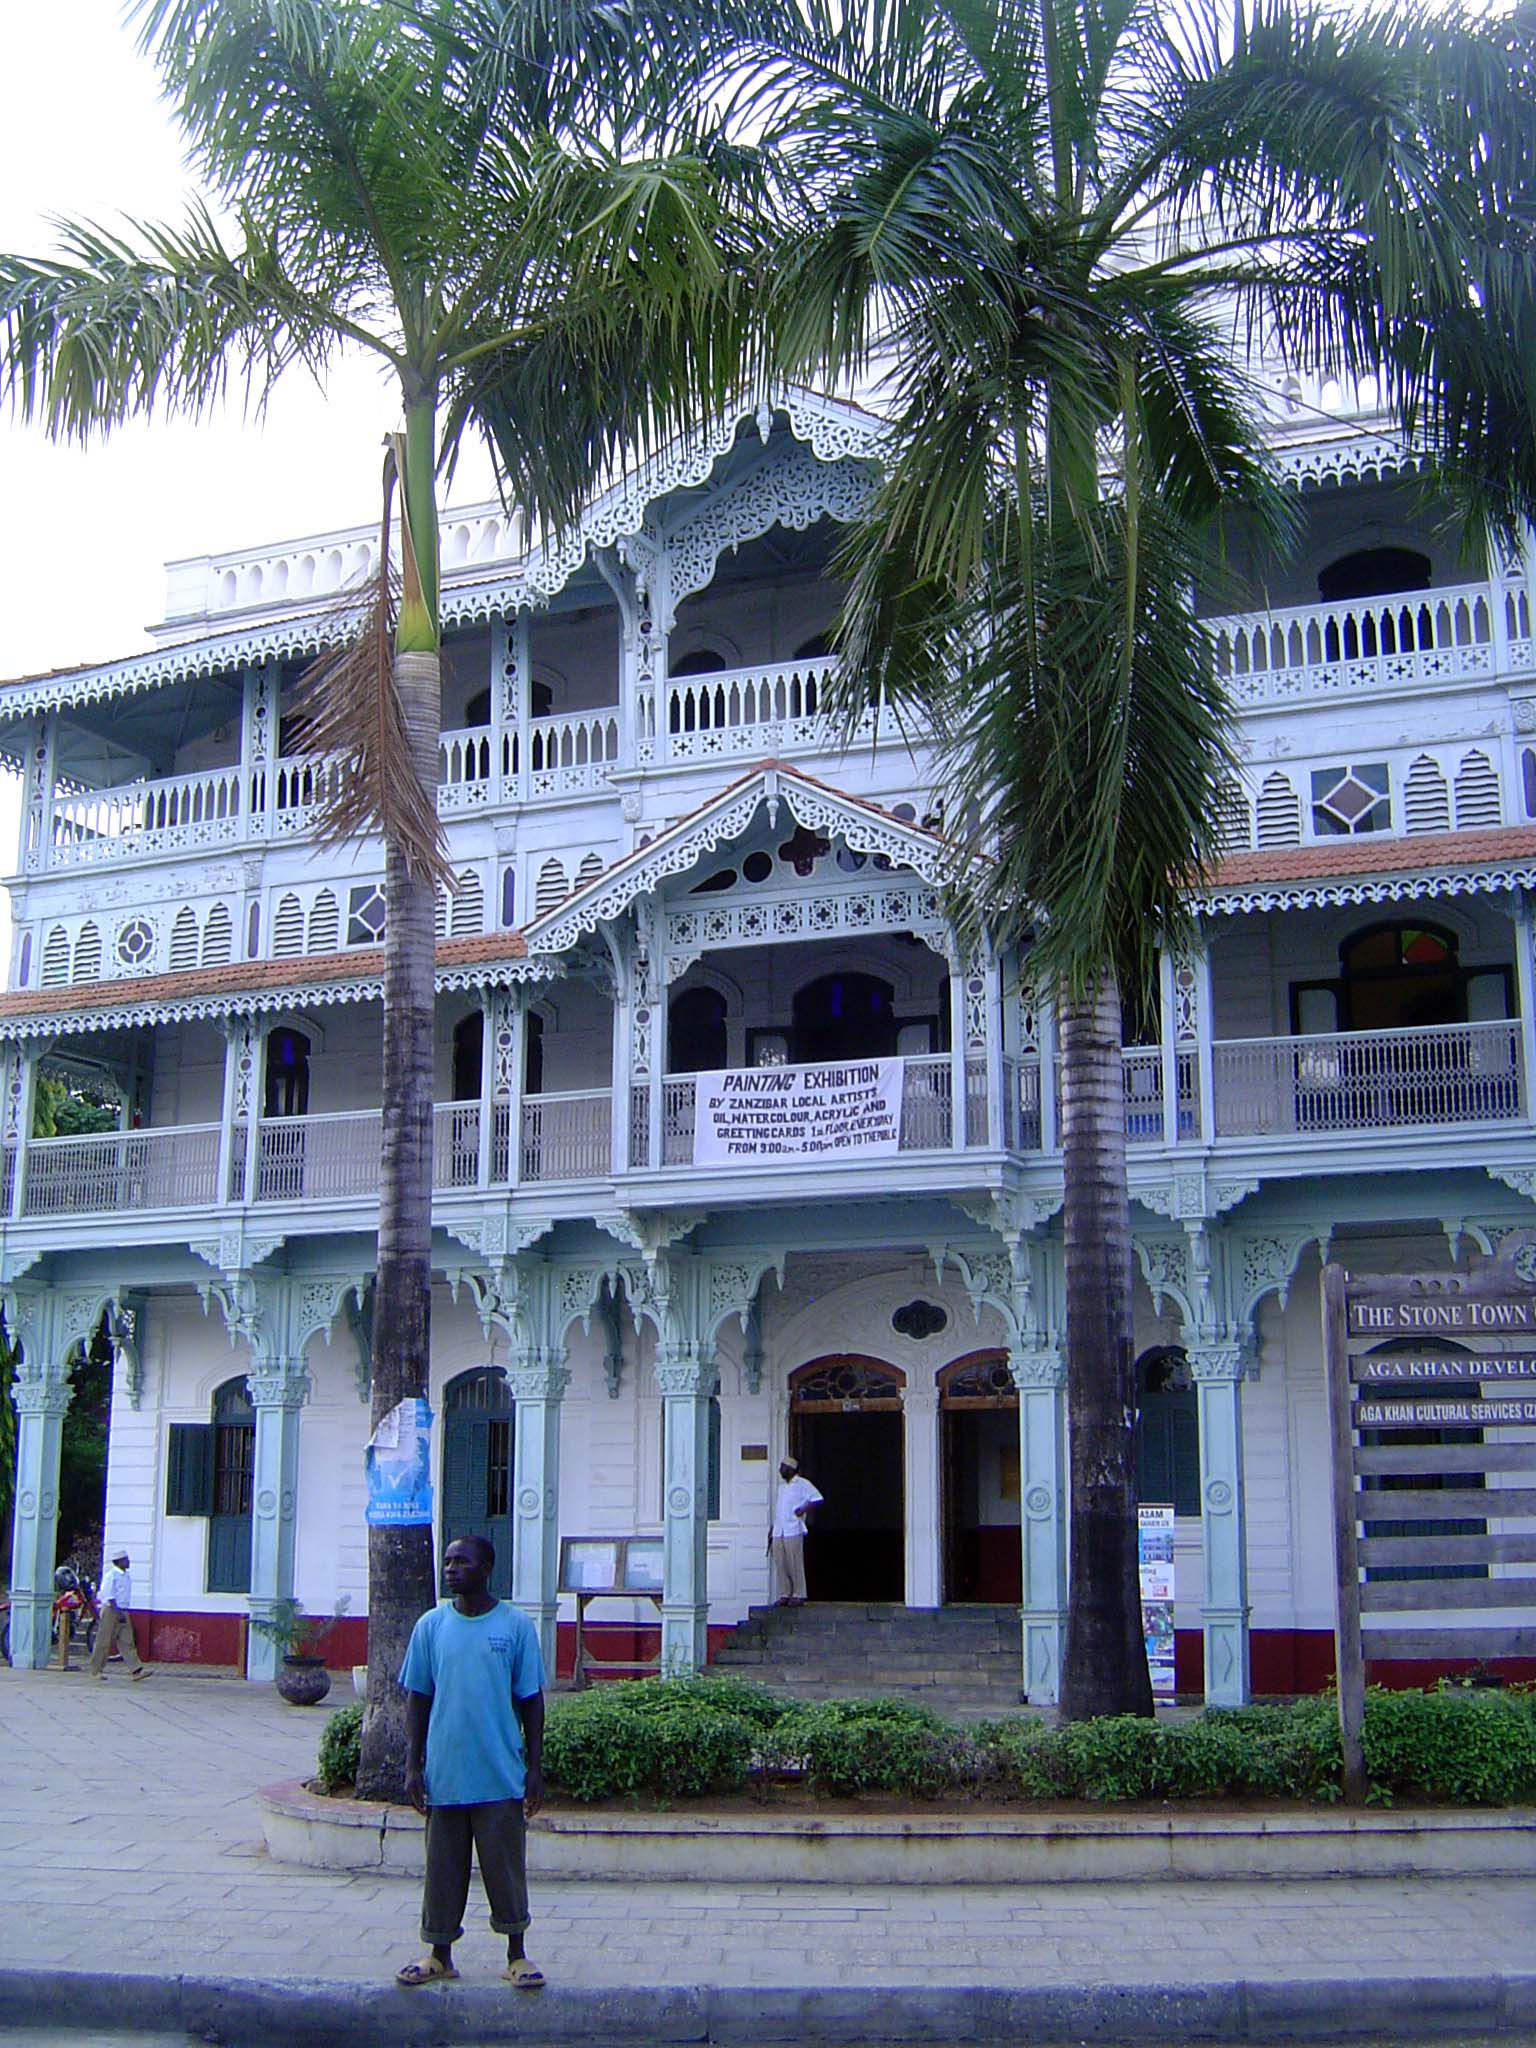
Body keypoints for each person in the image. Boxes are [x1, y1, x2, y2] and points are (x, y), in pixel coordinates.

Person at [394, 1534, 547, 1991]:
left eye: (461, 1562)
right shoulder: (431, 1626)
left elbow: (531, 1701)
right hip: (446, 1775)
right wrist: (413, 1765)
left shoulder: (515, 1627)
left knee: (505, 1871)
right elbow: (418, 1698)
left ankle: (517, 1954)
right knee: (443, 1870)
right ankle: (439, 1955)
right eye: (447, 1562)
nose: (451, 1570)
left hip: (500, 1775)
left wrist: (534, 1768)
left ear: (487, 1568)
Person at [769, 1456, 823, 1606]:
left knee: (794, 1562)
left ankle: (799, 1593)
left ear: (791, 1469)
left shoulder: (802, 1484)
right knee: (781, 1563)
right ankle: (785, 1593)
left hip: (793, 1529)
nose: (780, 1470)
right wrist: (773, 1528)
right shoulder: (782, 1487)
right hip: (779, 1530)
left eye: (783, 1468)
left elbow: (818, 1498)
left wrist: (803, 1509)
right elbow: (779, 1509)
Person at [88, 1550, 150, 1681]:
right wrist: (118, 1612)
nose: (128, 1562)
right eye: (126, 1560)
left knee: (127, 1641)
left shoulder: (126, 1576)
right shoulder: (111, 1576)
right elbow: (109, 1596)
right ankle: (96, 1670)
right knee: (104, 1641)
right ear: (119, 1562)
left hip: (123, 1610)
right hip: (112, 1610)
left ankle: (136, 1670)